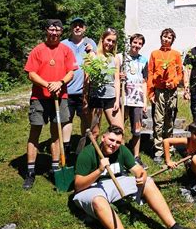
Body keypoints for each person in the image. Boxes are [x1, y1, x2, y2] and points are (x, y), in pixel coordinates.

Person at [73, 125, 194, 229]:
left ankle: (174, 228)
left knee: (148, 181)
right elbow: (78, 186)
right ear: (103, 137)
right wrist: (99, 170)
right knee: (99, 201)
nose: (114, 145)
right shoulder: (87, 153)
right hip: (90, 187)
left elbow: (138, 170)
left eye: (118, 142)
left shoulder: (122, 150)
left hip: (116, 182)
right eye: (111, 140)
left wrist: (142, 175)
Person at [23, 19, 77, 190]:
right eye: (51, 30)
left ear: (61, 32)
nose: (54, 33)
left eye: (57, 30)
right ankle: (30, 172)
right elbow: (31, 74)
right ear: (46, 31)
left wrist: (60, 82)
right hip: (39, 98)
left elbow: (71, 72)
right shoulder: (38, 50)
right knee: (35, 132)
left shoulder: (66, 50)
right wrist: (48, 84)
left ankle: (55, 168)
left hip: (60, 97)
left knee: (56, 132)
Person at [147, 28, 183, 164]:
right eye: (164, 37)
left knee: (169, 120)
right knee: (158, 121)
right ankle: (158, 151)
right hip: (159, 91)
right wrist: (150, 93)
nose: (166, 39)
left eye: (169, 38)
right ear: (160, 37)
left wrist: (174, 83)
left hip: (171, 92)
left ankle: (169, 147)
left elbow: (180, 74)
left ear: (172, 40)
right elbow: (150, 74)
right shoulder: (154, 54)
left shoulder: (176, 54)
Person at [61, 17, 97, 154]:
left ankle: (84, 145)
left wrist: (92, 52)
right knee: (66, 119)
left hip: (84, 90)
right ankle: (66, 147)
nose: (77, 28)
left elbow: (96, 62)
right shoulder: (64, 44)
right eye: (75, 25)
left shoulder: (90, 43)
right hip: (67, 90)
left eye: (80, 26)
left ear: (84, 29)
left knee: (85, 118)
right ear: (71, 28)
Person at [85, 28, 124, 137]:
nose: (110, 43)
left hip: (110, 98)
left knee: (119, 130)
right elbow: (87, 80)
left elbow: (116, 80)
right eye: (108, 40)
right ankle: (93, 153)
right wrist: (85, 99)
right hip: (95, 97)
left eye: (113, 41)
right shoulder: (93, 56)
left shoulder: (115, 58)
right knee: (94, 132)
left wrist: (117, 100)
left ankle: (115, 152)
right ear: (102, 39)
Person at [122, 33, 148, 168]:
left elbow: (144, 81)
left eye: (139, 44)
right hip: (123, 98)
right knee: (119, 127)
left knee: (137, 129)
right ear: (130, 43)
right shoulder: (122, 58)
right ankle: (119, 155)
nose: (136, 46)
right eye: (135, 42)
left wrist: (145, 101)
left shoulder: (143, 60)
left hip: (137, 98)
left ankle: (135, 156)